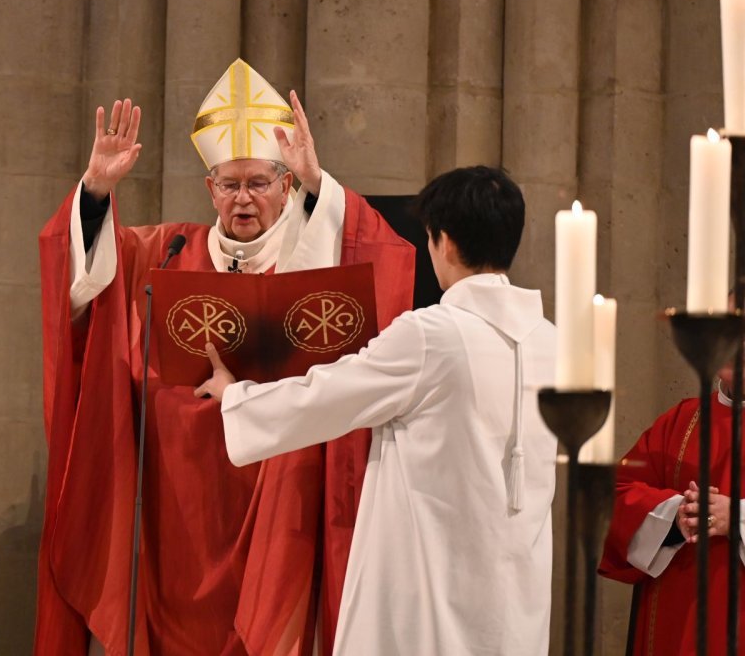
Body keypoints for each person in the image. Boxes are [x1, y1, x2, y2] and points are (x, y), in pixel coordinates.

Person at [35, 59, 416, 654]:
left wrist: (321, 184)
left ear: (285, 186)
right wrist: (96, 194)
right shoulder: (166, 251)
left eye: (258, 183)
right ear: (210, 188)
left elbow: (380, 262)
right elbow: (83, 287)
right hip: (177, 507)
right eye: (229, 184)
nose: (242, 199)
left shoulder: (308, 251)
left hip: (278, 492)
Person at [198, 165, 558, 655]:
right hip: (512, 593)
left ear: (443, 242)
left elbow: (325, 396)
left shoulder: (433, 335)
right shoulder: (552, 343)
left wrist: (236, 396)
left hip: (427, 594)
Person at [598, 364, 745, 654]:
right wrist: (674, 516)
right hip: (672, 625)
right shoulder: (681, 420)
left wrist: (736, 518)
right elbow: (614, 494)